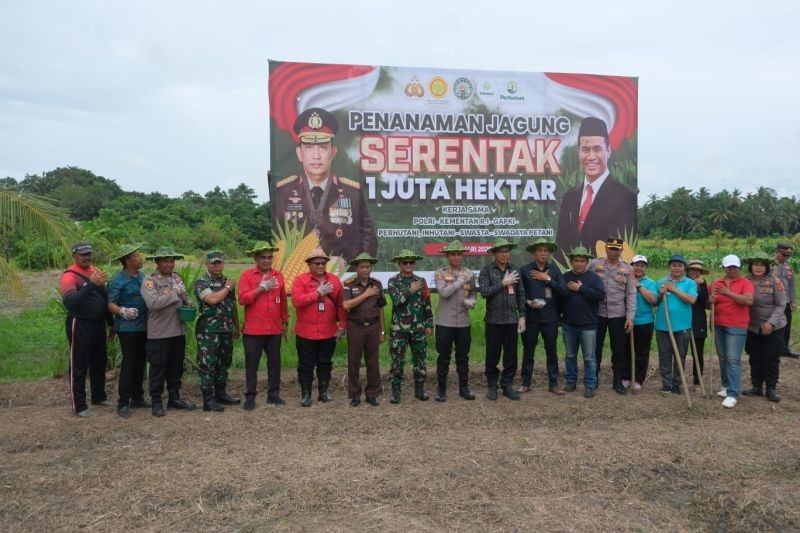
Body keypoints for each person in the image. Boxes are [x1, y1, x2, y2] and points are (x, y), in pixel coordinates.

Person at [272, 107, 377, 263]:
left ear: (333, 152)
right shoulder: (283, 192)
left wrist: (349, 264)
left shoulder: (351, 192)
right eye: (308, 147)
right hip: (298, 279)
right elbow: (276, 240)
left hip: (341, 278)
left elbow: (368, 238)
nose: (316, 156)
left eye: (322, 147)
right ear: (300, 153)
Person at [555, 117, 637, 255]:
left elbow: (625, 246)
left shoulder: (625, 197)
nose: (591, 156)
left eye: (597, 149)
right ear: (578, 152)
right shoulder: (569, 197)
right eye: (585, 149)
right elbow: (560, 248)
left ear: (608, 151)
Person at [59, 241, 113, 417]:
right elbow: (70, 303)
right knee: (79, 364)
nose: (87, 257)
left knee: (99, 361)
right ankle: (79, 405)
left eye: (89, 253)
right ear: (74, 256)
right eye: (83, 254)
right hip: (80, 323)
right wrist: (90, 284)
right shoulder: (70, 276)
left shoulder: (94, 271)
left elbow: (104, 299)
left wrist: (111, 323)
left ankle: (99, 396)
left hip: (98, 324)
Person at [140, 247, 196, 416]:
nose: (170, 264)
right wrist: (174, 292)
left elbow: (184, 295)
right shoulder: (150, 281)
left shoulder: (177, 278)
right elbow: (154, 304)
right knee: (158, 368)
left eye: (172, 261)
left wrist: (188, 302)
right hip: (160, 333)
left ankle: (174, 398)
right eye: (165, 261)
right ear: (157, 262)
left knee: (176, 367)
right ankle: (156, 401)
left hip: (178, 331)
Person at [291, 248, 346, 406]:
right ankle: (306, 393)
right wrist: (317, 293)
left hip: (328, 331)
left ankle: (323, 391)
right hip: (305, 332)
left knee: (325, 363)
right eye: (316, 263)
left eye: (323, 263)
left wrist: (342, 325)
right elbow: (297, 301)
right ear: (309, 264)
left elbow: (341, 305)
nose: (320, 266)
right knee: (305, 365)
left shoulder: (334, 281)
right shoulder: (300, 280)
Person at [238, 241, 288, 410]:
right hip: (253, 329)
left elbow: (282, 303)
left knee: (274, 362)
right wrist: (261, 288)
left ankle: (273, 395)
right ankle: (250, 397)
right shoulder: (247, 275)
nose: (267, 260)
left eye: (269, 257)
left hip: (274, 328)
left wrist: (285, 322)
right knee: (252, 364)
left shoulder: (278, 276)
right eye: (263, 257)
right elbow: (242, 299)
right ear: (256, 258)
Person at [478, 238, 526, 401]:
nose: (505, 254)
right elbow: (484, 292)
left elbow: (520, 294)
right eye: (501, 252)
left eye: (507, 251)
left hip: (512, 320)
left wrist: (523, 316)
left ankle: (507, 385)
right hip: (493, 320)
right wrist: (503, 283)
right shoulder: (487, 270)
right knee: (492, 355)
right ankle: (492, 385)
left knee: (511, 356)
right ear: (494, 253)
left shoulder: (515, 270)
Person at [518, 238, 568, 395]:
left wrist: (547, 279)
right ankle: (526, 383)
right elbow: (520, 293)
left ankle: (553, 383)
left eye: (546, 251)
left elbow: (564, 291)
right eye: (539, 250)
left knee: (551, 351)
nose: (543, 253)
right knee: (528, 351)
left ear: (549, 253)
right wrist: (527, 302)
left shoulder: (554, 271)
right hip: (531, 317)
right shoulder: (525, 270)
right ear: (534, 253)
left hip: (550, 317)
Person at [194, 251, 241, 412]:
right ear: (206, 263)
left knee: (223, 362)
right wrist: (228, 287)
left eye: (219, 262)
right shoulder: (202, 282)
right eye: (213, 263)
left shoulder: (227, 281)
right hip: (209, 331)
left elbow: (232, 305)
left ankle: (221, 394)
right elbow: (212, 300)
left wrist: (237, 325)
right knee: (208, 364)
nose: (217, 265)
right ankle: (208, 400)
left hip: (226, 328)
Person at [107, 243, 149, 418]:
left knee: (140, 361)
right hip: (127, 328)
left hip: (145, 326)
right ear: (128, 260)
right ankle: (123, 402)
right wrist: (123, 311)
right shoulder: (118, 280)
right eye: (137, 256)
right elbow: (110, 304)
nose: (140, 258)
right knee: (129, 363)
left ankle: (137, 397)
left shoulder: (143, 276)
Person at [589, 237, 636, 394]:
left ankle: (618, 381)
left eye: (617, 249)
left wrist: (630, 317)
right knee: (596, 347)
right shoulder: (595, 264)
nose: (613, 251)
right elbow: (586, 280)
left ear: (621, 250)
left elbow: (631, 294)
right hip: (598, 313)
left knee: (619, 349)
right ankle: (593, 379)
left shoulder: (628, 269)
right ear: (606, 249)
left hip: (618, 314)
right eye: (611, 248)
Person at [387, 249, 434, 404]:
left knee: (420, 359)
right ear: (399, 264)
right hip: (399, 329)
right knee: (397, 360)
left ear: (414, 264)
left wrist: (429, 324)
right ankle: (395, 391)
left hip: (418, 327)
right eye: (404, 262)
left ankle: (419, 389)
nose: (408, 265)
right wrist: (410, 290)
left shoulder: (422, 281)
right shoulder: (393, 281)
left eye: (411, 262)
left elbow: (426, 303)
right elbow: (396, 301)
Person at [433, 240, 478, 402]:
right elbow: (444, 293)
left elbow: (473, 293)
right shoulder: (441, 273)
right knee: (443, 357)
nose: (456, 257)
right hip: (445, 323)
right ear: (447, 255)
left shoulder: (469, 273)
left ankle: (464, 388)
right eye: (453, 254)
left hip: (464, 322)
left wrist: (472, 301)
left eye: (459, 254)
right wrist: (460, 281)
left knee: (463, 357)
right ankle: (441, 389)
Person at [709, 254, 755, 408]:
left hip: (737, 326)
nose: (732, 269)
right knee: (722, 358)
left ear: (739, 267)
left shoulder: (745, 283)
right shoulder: (717, 282)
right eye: (729, 267)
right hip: (718, 325)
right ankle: (726, 386)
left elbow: (748, 301)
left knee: (733, 359)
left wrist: (727, 292)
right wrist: (711, 300)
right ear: (724, 268)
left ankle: (733, 393)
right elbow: (710, 304)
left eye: (735, 266)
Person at [560, 246, 606, 398]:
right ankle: (571, 381)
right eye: (576, 261)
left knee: (589, 358)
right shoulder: (565, 277)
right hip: (568, 324)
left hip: (589, 325)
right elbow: (558, 297)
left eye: (582, 261)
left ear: (587, 262)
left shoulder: (594, 278)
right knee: (570, 355)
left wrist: (581, 289)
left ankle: (590, 385)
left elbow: (600, 295)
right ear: (571, 262)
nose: (579, 263)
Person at [343, 252, 386, 407]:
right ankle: (355, 394)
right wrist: (366, 294)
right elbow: (346, 305)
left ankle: (372, 394)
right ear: (356, 268)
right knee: (354, 362)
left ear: (371, 268)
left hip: (373, 327)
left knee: (372, 362)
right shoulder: (349, 284)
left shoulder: (377, 284)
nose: (365, 270)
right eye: (362, 267)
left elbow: (381, 308)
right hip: (356, 327)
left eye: (367, 267)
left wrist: (382, 331)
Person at [743, 252, 787, 402]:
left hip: (774, 326)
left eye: (762, 264)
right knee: (755, 356)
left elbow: (781, 305)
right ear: (750, 266)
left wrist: (771, 323)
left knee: (771, 357)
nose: (758, 267)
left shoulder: (775, 281)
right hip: (753, 326)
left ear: (767, 267)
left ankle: (771, 388)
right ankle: (756, 386)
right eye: (755, 264)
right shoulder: (745, 281)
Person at [653, 255, 697, 395]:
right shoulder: (661, 282)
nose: (676, 268)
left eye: (679, 265)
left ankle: (676, 384)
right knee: (664, 355)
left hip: (682, 326)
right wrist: (660, 294)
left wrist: (673, 289)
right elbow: (654, 302)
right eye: (674, 265)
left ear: (684, 268)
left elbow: (691, 300)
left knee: (680, 356)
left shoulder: (690, 283)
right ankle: (666, 385)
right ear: (669, 267)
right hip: (662, 325)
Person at [626, 255, 657, 391]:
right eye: (636, 265)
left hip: (645, 321)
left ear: (646, 268)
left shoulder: (650, 283)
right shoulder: (625, 279)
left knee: (642, 352)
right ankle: (626, 377)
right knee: (625, 351)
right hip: (626, 320)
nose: (639, 268)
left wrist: (638, 285)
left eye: (642, 265)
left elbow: (652, 300)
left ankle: (638, 379)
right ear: (631, 266)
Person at [686, 259, 710, 388]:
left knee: (698, 353)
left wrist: (701, 287)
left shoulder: (702, 284)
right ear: (687, 270)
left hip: (698, 321)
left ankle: (697, 381)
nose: (694, 272)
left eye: (697, 270)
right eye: (692, 269)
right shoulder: (682, 283)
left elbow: (706, 304)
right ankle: (678, 380)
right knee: (680, 352)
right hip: (683, 321)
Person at [774, 243, 798, 358]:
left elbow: (792, 285)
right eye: (784, 254)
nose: (786, 257)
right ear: (777, 252)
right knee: (774, 325)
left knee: (786, 325)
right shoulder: (769, 266)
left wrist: (793, 301)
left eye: (787, 255)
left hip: (786, 301)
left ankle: (784, 349)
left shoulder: (789, 267)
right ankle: (774, 349)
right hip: (773, 302)